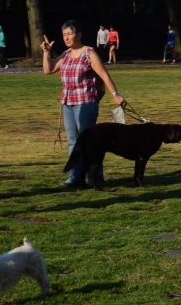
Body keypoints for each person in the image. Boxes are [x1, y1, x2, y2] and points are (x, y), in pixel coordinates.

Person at [42, 19, 126, 187]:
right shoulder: (65, 54)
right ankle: (75, 177)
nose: (66, 37)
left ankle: (95, 177)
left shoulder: (89, 53)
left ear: (79, 35)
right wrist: (46, 52)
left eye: (69, 34)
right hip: (67, 103)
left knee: (89, 141)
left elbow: (104, 75)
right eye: (64, 34)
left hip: (86, 102)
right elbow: (48, 70)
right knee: (73, 141)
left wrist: (115, 94)